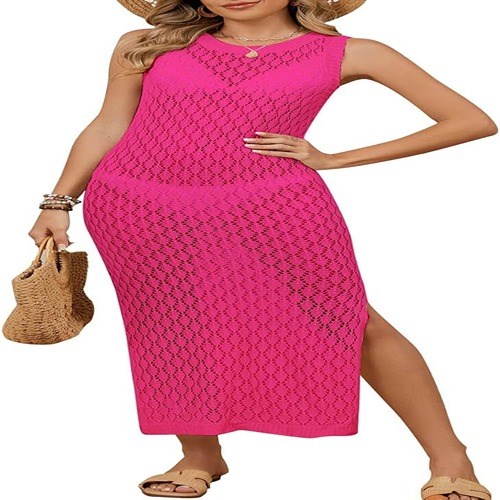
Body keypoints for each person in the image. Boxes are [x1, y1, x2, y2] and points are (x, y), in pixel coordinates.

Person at [28, 0, 496, 498]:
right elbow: (108, 125)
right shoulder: (147, 44)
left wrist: (335, 159)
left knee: (352, 322)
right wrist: (58, 201)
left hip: (273, 206)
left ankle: (451, 457)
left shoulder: (351, 52)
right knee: (173, 326)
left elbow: (469, 120)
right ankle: (199, 454)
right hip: (140, 205)